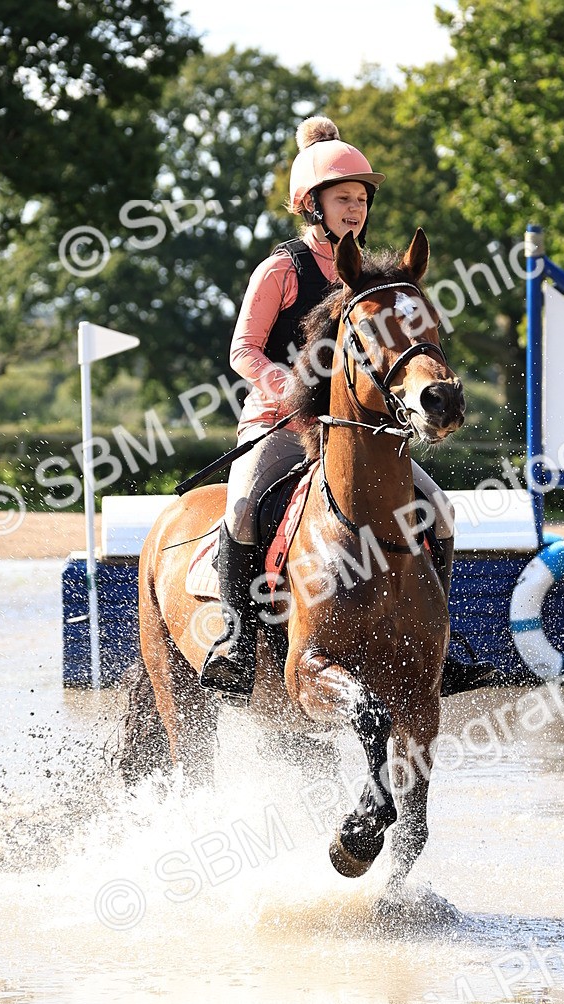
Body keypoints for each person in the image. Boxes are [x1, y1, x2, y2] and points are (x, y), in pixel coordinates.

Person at [200, 116, 494, 702]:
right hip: (280, 425)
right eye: (343, 198)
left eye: (361, 199)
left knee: (437, 509)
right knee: (243, 504)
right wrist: (290, 393)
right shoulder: (282, 269)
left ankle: (442, 640)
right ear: (313, 204)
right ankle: (234, 643)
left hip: (359, 433)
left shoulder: (376, 278)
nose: (355, 209)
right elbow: (242, 350)